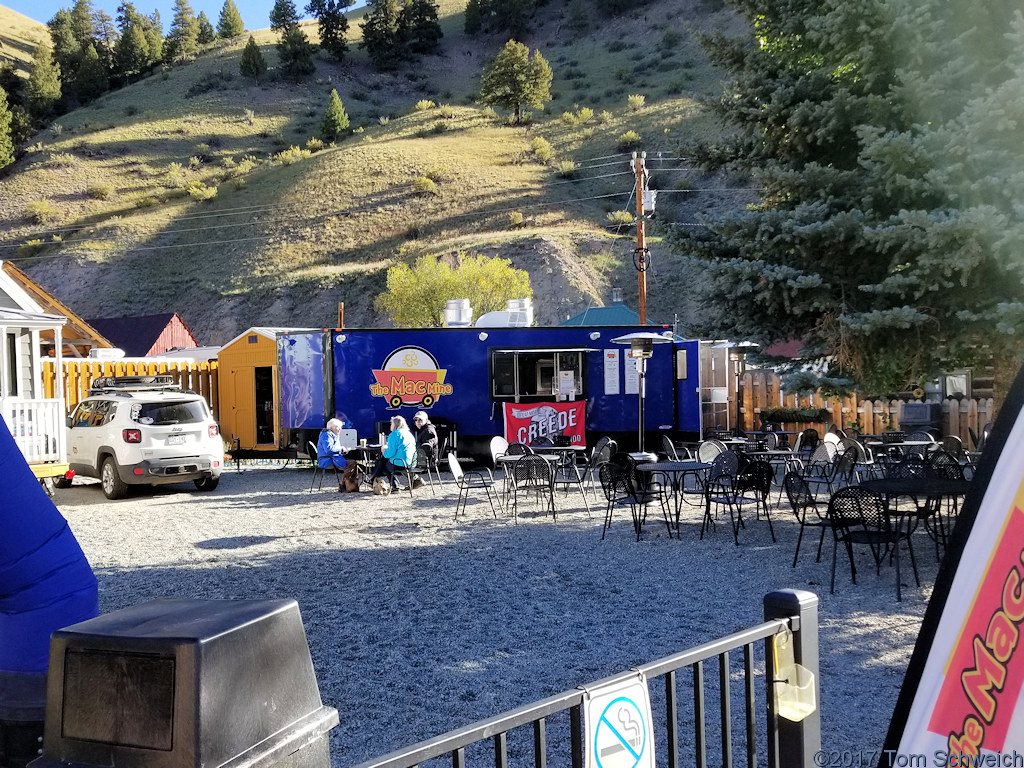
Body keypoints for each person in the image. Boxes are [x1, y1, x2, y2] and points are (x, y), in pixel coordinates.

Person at [369, 415, 416, 491]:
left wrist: (384, 450)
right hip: (410, 462)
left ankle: (391, 484)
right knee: (383, 461)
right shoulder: (409, 434)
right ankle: (391, 484)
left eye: (391, 424)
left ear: (395, 424)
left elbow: (390, 453)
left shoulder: (394, 434)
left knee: (382, 463)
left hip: (400, 463)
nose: (390, 425)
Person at [317, 419, 349, 490]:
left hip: (330, 458)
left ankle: (346, 485)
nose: (340, 429)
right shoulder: (326, 435)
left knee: (352, 463)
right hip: (327, 460)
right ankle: (345, 486)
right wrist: (341, 449)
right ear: (331, 427)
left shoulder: (330, 435)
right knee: (351, 464)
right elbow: (329, 450)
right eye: (338, 427)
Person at [411, 411, 438, 490]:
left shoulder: (428, 431)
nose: (417, 422)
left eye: (420, 420)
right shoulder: (425, 429)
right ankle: (415, 480)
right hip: (424, 458)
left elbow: (427, 446)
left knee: (403, 462)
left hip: (427, 460)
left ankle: (416, 481)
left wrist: (414, 452)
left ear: (426, 420)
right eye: (416, 420)